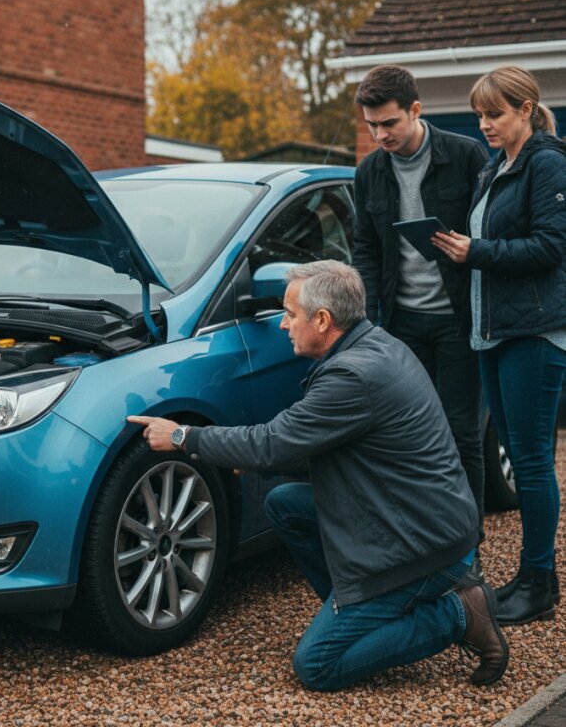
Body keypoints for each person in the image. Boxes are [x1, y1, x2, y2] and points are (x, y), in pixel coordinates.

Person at [128, 261, 508, 692]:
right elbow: (333, 449)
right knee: (285, 504)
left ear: (323, 320)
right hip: (411, 516)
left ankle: (460, 613)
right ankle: (364, 613)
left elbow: (272, 442)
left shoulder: (352, 376)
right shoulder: (373, 345)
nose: (282, 324)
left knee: (317, 665)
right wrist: (259, 457)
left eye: (291, 314)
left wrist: (182, 436)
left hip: (422, 546)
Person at [432, 66, 566, 626]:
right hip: (491, 332)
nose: (484, 124)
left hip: (532, 333)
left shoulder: (548, 163)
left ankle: (538, 583)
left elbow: (552, 248)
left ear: (526, 109)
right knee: (517, 450)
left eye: (495, 114)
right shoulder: (496, 167)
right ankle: (533, 578)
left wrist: (477, 252)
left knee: (530, 461)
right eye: (480, 114)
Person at [352, 65, 490, 536]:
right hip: (401, 325)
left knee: (461, 433)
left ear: (415, 110)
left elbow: (491, 231)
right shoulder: (369, 171)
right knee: (408, 434)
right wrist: (369, 322)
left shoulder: (466, 154)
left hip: (458, 321)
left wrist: (469, 248)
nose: (380, 135)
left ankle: (467, 543)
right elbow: (365, 249)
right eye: (372, 126)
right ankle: (424, 538)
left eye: (389, 123)